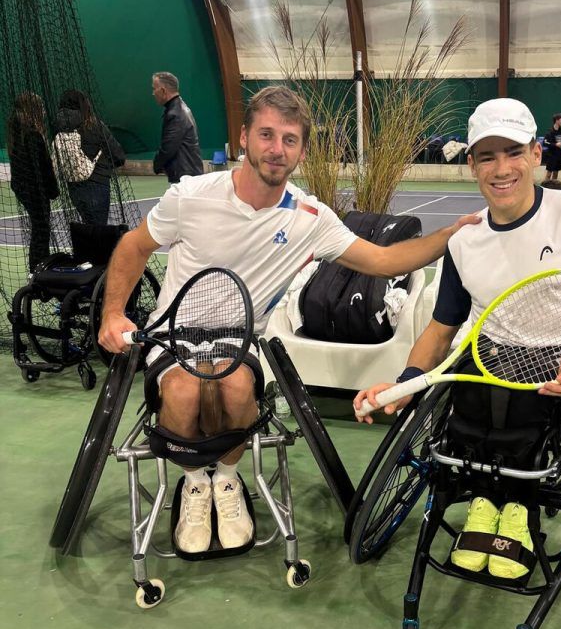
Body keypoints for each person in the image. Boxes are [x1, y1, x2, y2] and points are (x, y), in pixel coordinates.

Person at [98, 85, 479, 555]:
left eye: (290, 139)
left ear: (301, 149)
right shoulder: (191, 195)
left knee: (234, 387)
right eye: (267, 134)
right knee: (183, 389)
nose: (277, 149)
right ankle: (196, 483)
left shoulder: (310, 217)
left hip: (240, 339)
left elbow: (384, 260)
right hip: (173, 336)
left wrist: (451, 234)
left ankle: (230, 482)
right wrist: (113, 313)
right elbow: (134, 246)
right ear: (245, 137)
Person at [354, 97, 561, 579]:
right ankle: (485, 503)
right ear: (472, 165)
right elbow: (441, 330)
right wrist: (402, 384)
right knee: (466, 402)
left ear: (535, 153)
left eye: (512, 152)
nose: (501, 168)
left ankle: (519, 511)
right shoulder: (464, 241)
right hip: (486, 356)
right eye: (487, 156)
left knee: (521, 413)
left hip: (558, 360)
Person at [55, 89, 125, 226]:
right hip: (97, 184)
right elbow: (117, 155)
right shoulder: (95, 126)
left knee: (87, 226)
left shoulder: (58, 127)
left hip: (74, 187)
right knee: (98, 230)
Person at [7, 92, 59, 272]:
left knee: (39, 227)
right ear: (33, 110)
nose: (44, 112)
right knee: (41, 228)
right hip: (33, 189)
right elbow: (44, 167)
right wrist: (53, 190)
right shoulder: (31, 135)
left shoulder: (17, 132)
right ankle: (38, 267)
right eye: (41, 108)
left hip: (23, 187)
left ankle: (37, 266)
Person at [151, 72, 204, 184]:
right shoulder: (179, 108)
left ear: (163, 91)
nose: (153, 93)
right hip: (188, 174)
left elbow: (168, 147)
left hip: (185, 178)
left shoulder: (175, 114)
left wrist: (157, 165)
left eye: (154, 89)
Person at [542, 113, 561, 181]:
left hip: (559, 156)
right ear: (556, 121)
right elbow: (545, 143)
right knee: (549, 174)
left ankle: (553, 189)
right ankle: (545, 188)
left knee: (556, 174)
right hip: (551, 156)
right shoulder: (549, 132)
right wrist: (555, 144)